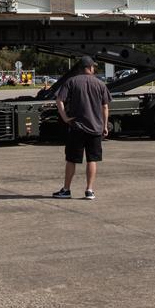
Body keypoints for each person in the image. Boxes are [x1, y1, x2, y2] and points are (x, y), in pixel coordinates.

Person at [53, 56, 111, 201]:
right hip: (95, 128)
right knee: (92, 159)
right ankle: (89, 190)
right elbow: (105, 107)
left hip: (77, 128)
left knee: (71, 160)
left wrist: (65, 118)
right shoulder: (100, 84)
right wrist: (104, 126)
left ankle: (66, 190)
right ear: (90, 68)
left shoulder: (71, 82)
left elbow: (59, 100)